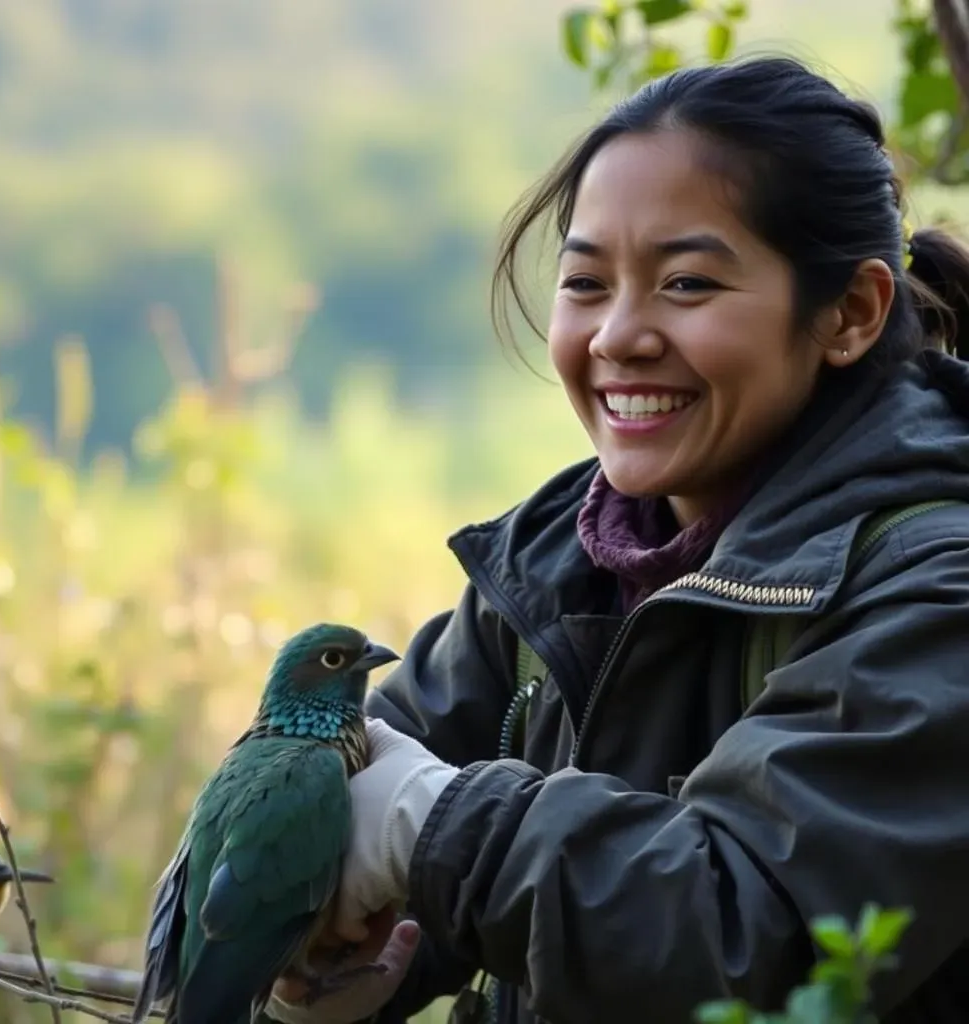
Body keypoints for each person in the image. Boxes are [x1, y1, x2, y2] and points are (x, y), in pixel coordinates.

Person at [267, 55, 969, 1024]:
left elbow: (751, 932)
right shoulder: (554, 564)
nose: (616, 336)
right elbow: (358, 790)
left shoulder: (937, 591)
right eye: (587, 282)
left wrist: (433, 828)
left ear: (849, 313)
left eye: (685, 283)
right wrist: (326, 954)